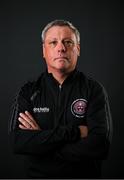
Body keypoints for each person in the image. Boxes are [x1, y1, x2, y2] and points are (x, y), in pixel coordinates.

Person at [9, 19, 112, 178]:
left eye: (68, 42)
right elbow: (18, 142)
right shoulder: (28, 92)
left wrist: (42, 143)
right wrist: (75, 132)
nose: (61, 48)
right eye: (53, 42)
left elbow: (100, 146)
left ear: (77, 49)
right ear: (43, 50)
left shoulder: (93, 90)